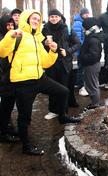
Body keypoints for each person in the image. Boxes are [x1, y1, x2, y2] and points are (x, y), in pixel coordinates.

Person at [0, 10, 81, 156]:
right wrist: (10, 38)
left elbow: (46, 62)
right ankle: (26, 146)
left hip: (39, 78)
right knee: (25, 116)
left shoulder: (38, 38)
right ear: (26, 19)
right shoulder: (17, 34)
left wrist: (53, 51)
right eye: (33, 18)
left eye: (38, 19)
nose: (36, 21)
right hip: (23, 82)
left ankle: (62, 116)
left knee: (64, 91)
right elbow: (2, 52)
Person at [42, 9, 81, 120]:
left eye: (56, 16)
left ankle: (63, 112)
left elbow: (78, 43)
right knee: (52, 88)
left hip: (64, 63)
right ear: (49, 18)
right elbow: (40, 45)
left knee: (64, 88)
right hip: (50, 62)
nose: (54, 18)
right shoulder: (45, 29)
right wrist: (44, 43)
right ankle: (53, 110)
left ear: (60, 17)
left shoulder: (67, 29)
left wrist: (67, 51)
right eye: (51, 16)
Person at [0, 15, 19, 143]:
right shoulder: (2, 39)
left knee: (8, 105)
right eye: (7, 25)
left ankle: (7, 127)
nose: (10, 27)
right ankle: (3, 133)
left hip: (11, 78)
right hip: (3, 78)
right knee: (5, 106)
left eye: (12, 25)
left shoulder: (14, 38)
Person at [79, 17, 102, 109]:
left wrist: (82, 58)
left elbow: (93, 55)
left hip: (91, 65)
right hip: (91, 65)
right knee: (91, 85)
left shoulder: (93, 39)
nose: (83, 29)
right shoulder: (91, 36)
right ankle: (94, 103)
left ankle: (95, 105)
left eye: (84, 27)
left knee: (92, 86)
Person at [72, 7, 90, 96]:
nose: (87, 15)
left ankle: (81, 84)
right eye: (85, 14)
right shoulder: (77, 24)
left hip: (85, 50)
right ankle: (80, 85)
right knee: (81, 68)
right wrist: (86, 47)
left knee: (83, 68)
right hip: (81, 51)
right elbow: (78, 39)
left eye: (88, 14)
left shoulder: (84, 22)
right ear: (81, 14)